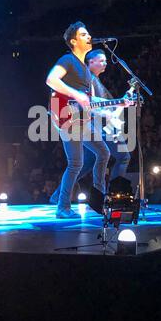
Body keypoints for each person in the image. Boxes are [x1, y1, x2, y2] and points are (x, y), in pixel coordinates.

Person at [50, 49, 131, 204]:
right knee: (119, 156)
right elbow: (92, 105)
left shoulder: (95, 81)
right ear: (90, 61)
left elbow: (101, 104)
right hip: (88, 124)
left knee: (87, 161)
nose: (105, 63)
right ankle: (111, 197)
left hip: (90, 124)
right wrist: (110, 111)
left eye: (106, 61)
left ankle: (95, 198)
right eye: (102, 60)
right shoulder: (87, 79)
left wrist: (119, 104)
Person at [46, 22, 110, 219]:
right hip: (67, 116)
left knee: (103, 152)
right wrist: (76, 94)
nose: (88, 36)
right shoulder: (67, 59)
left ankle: (98, 199)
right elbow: (51, 79)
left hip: (82, 119)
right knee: (75, 163)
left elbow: (90, 100)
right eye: (84, 34)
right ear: (74, 41)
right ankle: (62, 207)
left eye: (88, 33)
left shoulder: (85, 69)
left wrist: (120, 103)